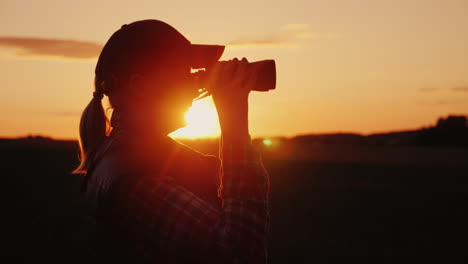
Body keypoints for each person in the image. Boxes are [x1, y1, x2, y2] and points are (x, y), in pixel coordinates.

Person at [73, 19, 271, 263]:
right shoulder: (138, 182)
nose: (192, 87)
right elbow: (239, 253)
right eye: (181, 75)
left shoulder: (125, 153)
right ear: (141, 87)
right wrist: (234, 122)